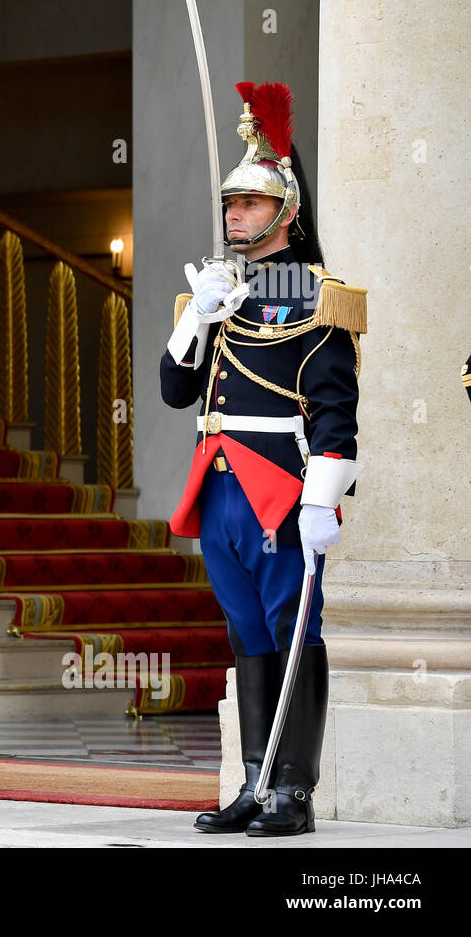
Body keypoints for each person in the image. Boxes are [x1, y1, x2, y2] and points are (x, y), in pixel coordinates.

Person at [160, 83, 366, 836]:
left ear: (286, 214)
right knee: (245, 630)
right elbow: (175, 391)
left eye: (248, 205)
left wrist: (321, 498)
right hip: (217, 486)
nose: (234, 216)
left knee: (292, 629)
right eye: (229, 206)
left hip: (279, 487)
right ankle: (253, 780)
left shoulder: (318, 296)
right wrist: (196, 322)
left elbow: (337, 411)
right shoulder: (217, 290)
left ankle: (293, 795)